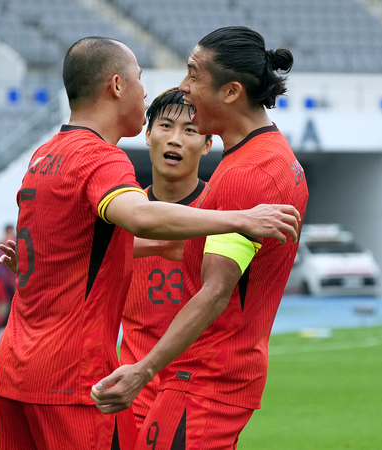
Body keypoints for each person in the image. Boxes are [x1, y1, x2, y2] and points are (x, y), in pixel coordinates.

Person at [0, 36, 300, 450]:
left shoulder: (45, 155)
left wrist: (44, 260)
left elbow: (90, 246)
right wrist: (242, 219)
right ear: (117, 87)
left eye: (192, 74)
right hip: (76, 378)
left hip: (13, 369)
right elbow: (140, 218)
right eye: (139, 78)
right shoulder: (102, 159)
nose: (157, 89)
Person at [91, 27, 309, 450]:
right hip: (208, 378)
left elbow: (215, 292)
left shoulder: (247, 175)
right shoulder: (271, 157)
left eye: (192, 74)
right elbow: (177, 248)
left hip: (202, 379)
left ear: (230, 92)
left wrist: (144, 369)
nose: (183, 87)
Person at [119, 87, 212, 430]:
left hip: (195, 396)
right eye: (165, 126)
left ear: (207, 145)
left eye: (190, 130)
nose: (175, 139)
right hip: (128, 391)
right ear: (146, 135)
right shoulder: (122, 211)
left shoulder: (222, 212)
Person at [0, 224, 16, 336]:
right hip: (4, 278)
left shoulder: (3, 242)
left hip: (6, 278)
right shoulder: (6, 243)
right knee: (3, 303)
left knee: (7, 302)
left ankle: (1, 326)